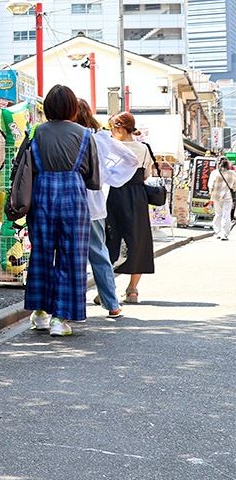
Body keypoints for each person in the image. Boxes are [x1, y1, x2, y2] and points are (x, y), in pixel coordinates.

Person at [20, 86, 100, 337]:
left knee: (41, 254)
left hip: (41, 193)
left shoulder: (36, 132)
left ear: (47, 108)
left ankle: (40, 313)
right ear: (72, 108)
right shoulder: (85, 135)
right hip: (73, 196)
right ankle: (61, 319)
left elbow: (24, 167)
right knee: (71, 257)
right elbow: (94, 178)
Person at [74, 101, 137, 318]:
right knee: (98, 254)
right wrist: (107, 175)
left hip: (70, 202)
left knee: (71, 255)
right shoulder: (100, 137)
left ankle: (74, 304)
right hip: (94, 203)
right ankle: (112, 304)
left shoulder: (71, 136)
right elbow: (131, 159)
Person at [105, 112, 154, 304]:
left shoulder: (110, 147)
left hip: (113, 196)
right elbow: (146, 175)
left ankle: (106, 290)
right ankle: (132, 290)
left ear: (118, 128)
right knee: (138, 240)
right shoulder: (143, 149)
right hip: (136, 198)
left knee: (110, 240)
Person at [207, 159, 236, 241]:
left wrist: (210, 192)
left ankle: (218, 232)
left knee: (218, 214)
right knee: (226, 214)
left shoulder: (215, 173)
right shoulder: (233, 173)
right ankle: (224, 234)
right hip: (228, 196)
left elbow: (210, 184)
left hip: (216, 196)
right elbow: (235, 186)